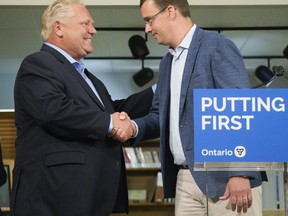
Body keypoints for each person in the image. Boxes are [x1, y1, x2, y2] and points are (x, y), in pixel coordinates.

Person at [114, 0, 267, 215]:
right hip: (185, 179)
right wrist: (133, 127)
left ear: (170, 12)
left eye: (149, 20)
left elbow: (242, 109)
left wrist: (240, 173)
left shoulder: (217, 46)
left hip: (225, 178)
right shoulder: (167, 63)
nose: (147, 28)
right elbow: (160, 116)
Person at [11, 0, 154, 215]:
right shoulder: (38, 64)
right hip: (54, 199)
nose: (93, 30)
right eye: (85, 23)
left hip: (87, 198)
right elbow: (54, 110)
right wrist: (109, 122)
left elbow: (112, 110)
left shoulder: (89, 78)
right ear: (58, 28)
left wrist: (159, 92)